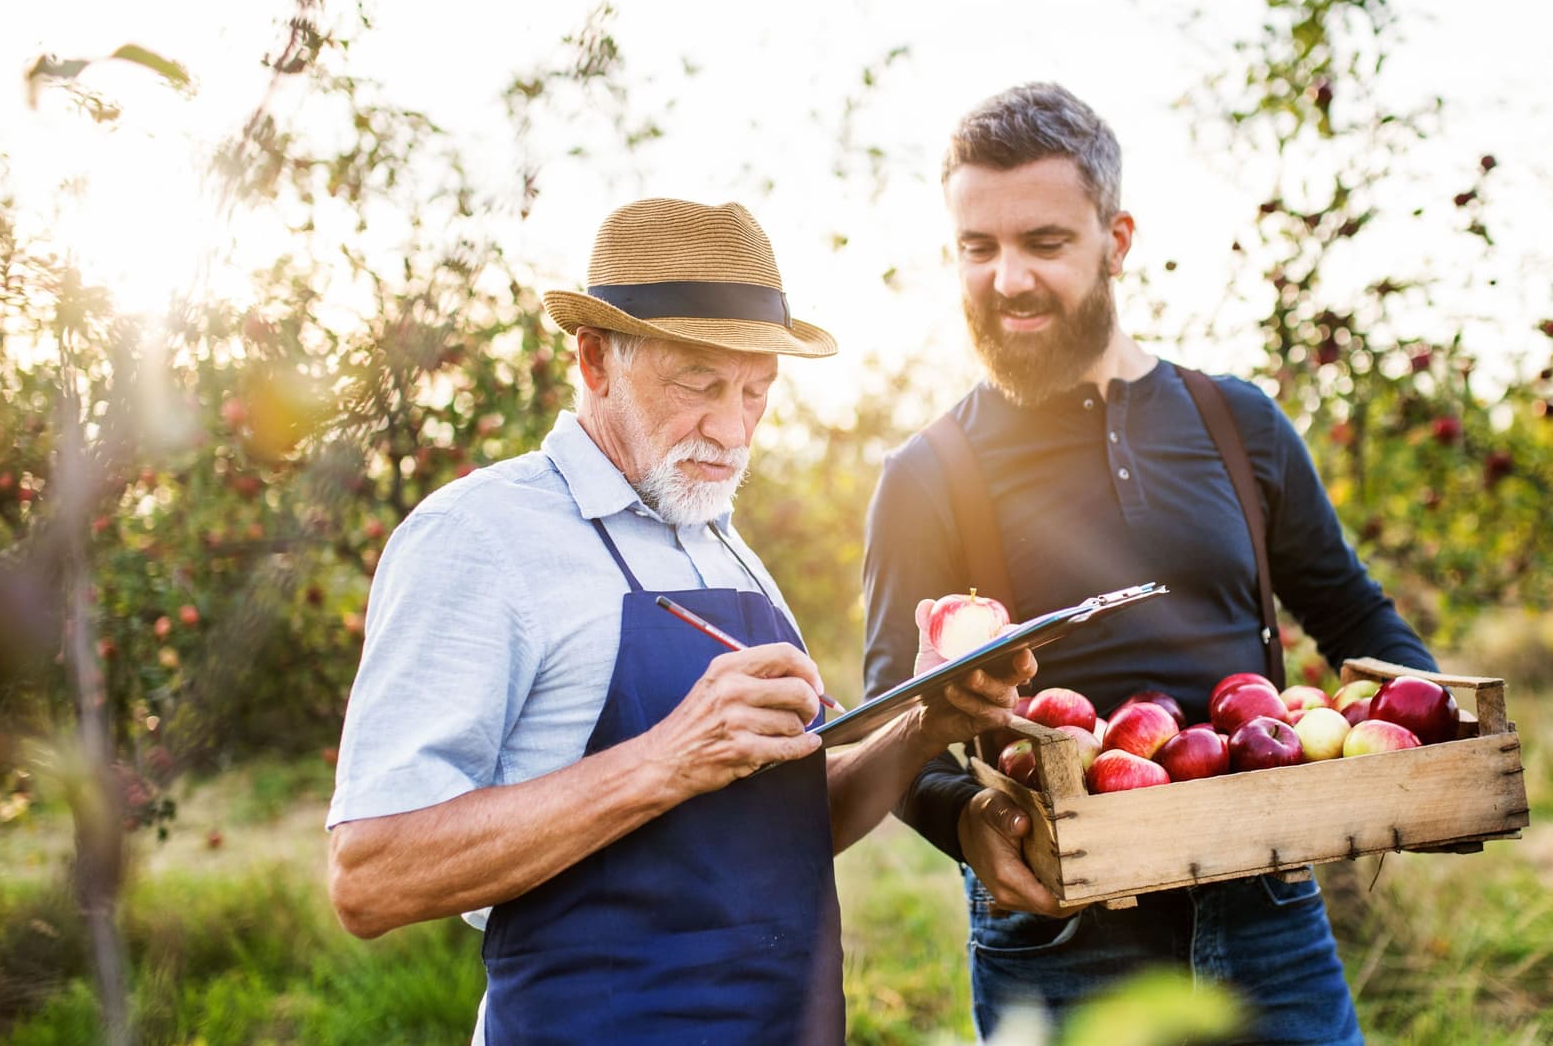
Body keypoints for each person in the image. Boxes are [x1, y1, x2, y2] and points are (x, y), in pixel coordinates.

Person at [326, 198, 1033, 1046]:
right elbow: (370, 875)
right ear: (595, 359)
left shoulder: (722, 546)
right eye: (699, 384)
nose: (732, 431)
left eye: (756, 392)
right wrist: (668, 758)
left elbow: (780, 835)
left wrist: (922, 727)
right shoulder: (479, 538)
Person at [861, 83, 1438, 1043]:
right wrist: (965, 819)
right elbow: (887, 709)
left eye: (1045, 243)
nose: (1007, 279)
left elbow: (1352, 614)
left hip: (1268, 905)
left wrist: (1439, 737)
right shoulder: (930, 473)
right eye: (978, 247)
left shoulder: (1236, 422)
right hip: (1062, 928)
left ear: (1116, 240)